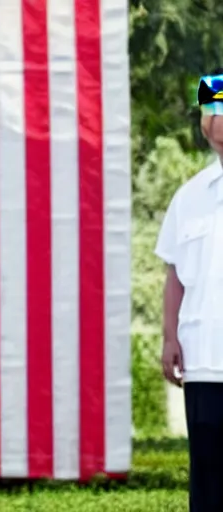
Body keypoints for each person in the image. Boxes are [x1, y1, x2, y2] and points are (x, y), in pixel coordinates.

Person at [156, 68, 223, 512]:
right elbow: (176, 274)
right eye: (209, 111)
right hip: (204, 361)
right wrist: (168, 337)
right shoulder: (190, 196)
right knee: (208, 479)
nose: (215, 123)